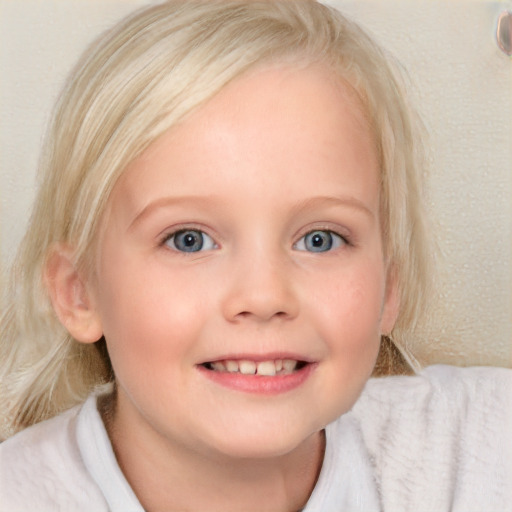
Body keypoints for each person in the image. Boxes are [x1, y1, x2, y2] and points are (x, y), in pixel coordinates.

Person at [0, 1, 510, 511]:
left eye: (321, 239)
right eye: (189, 240)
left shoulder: (482, 451)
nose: (264, 296)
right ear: (79, 291)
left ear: (389, 282)